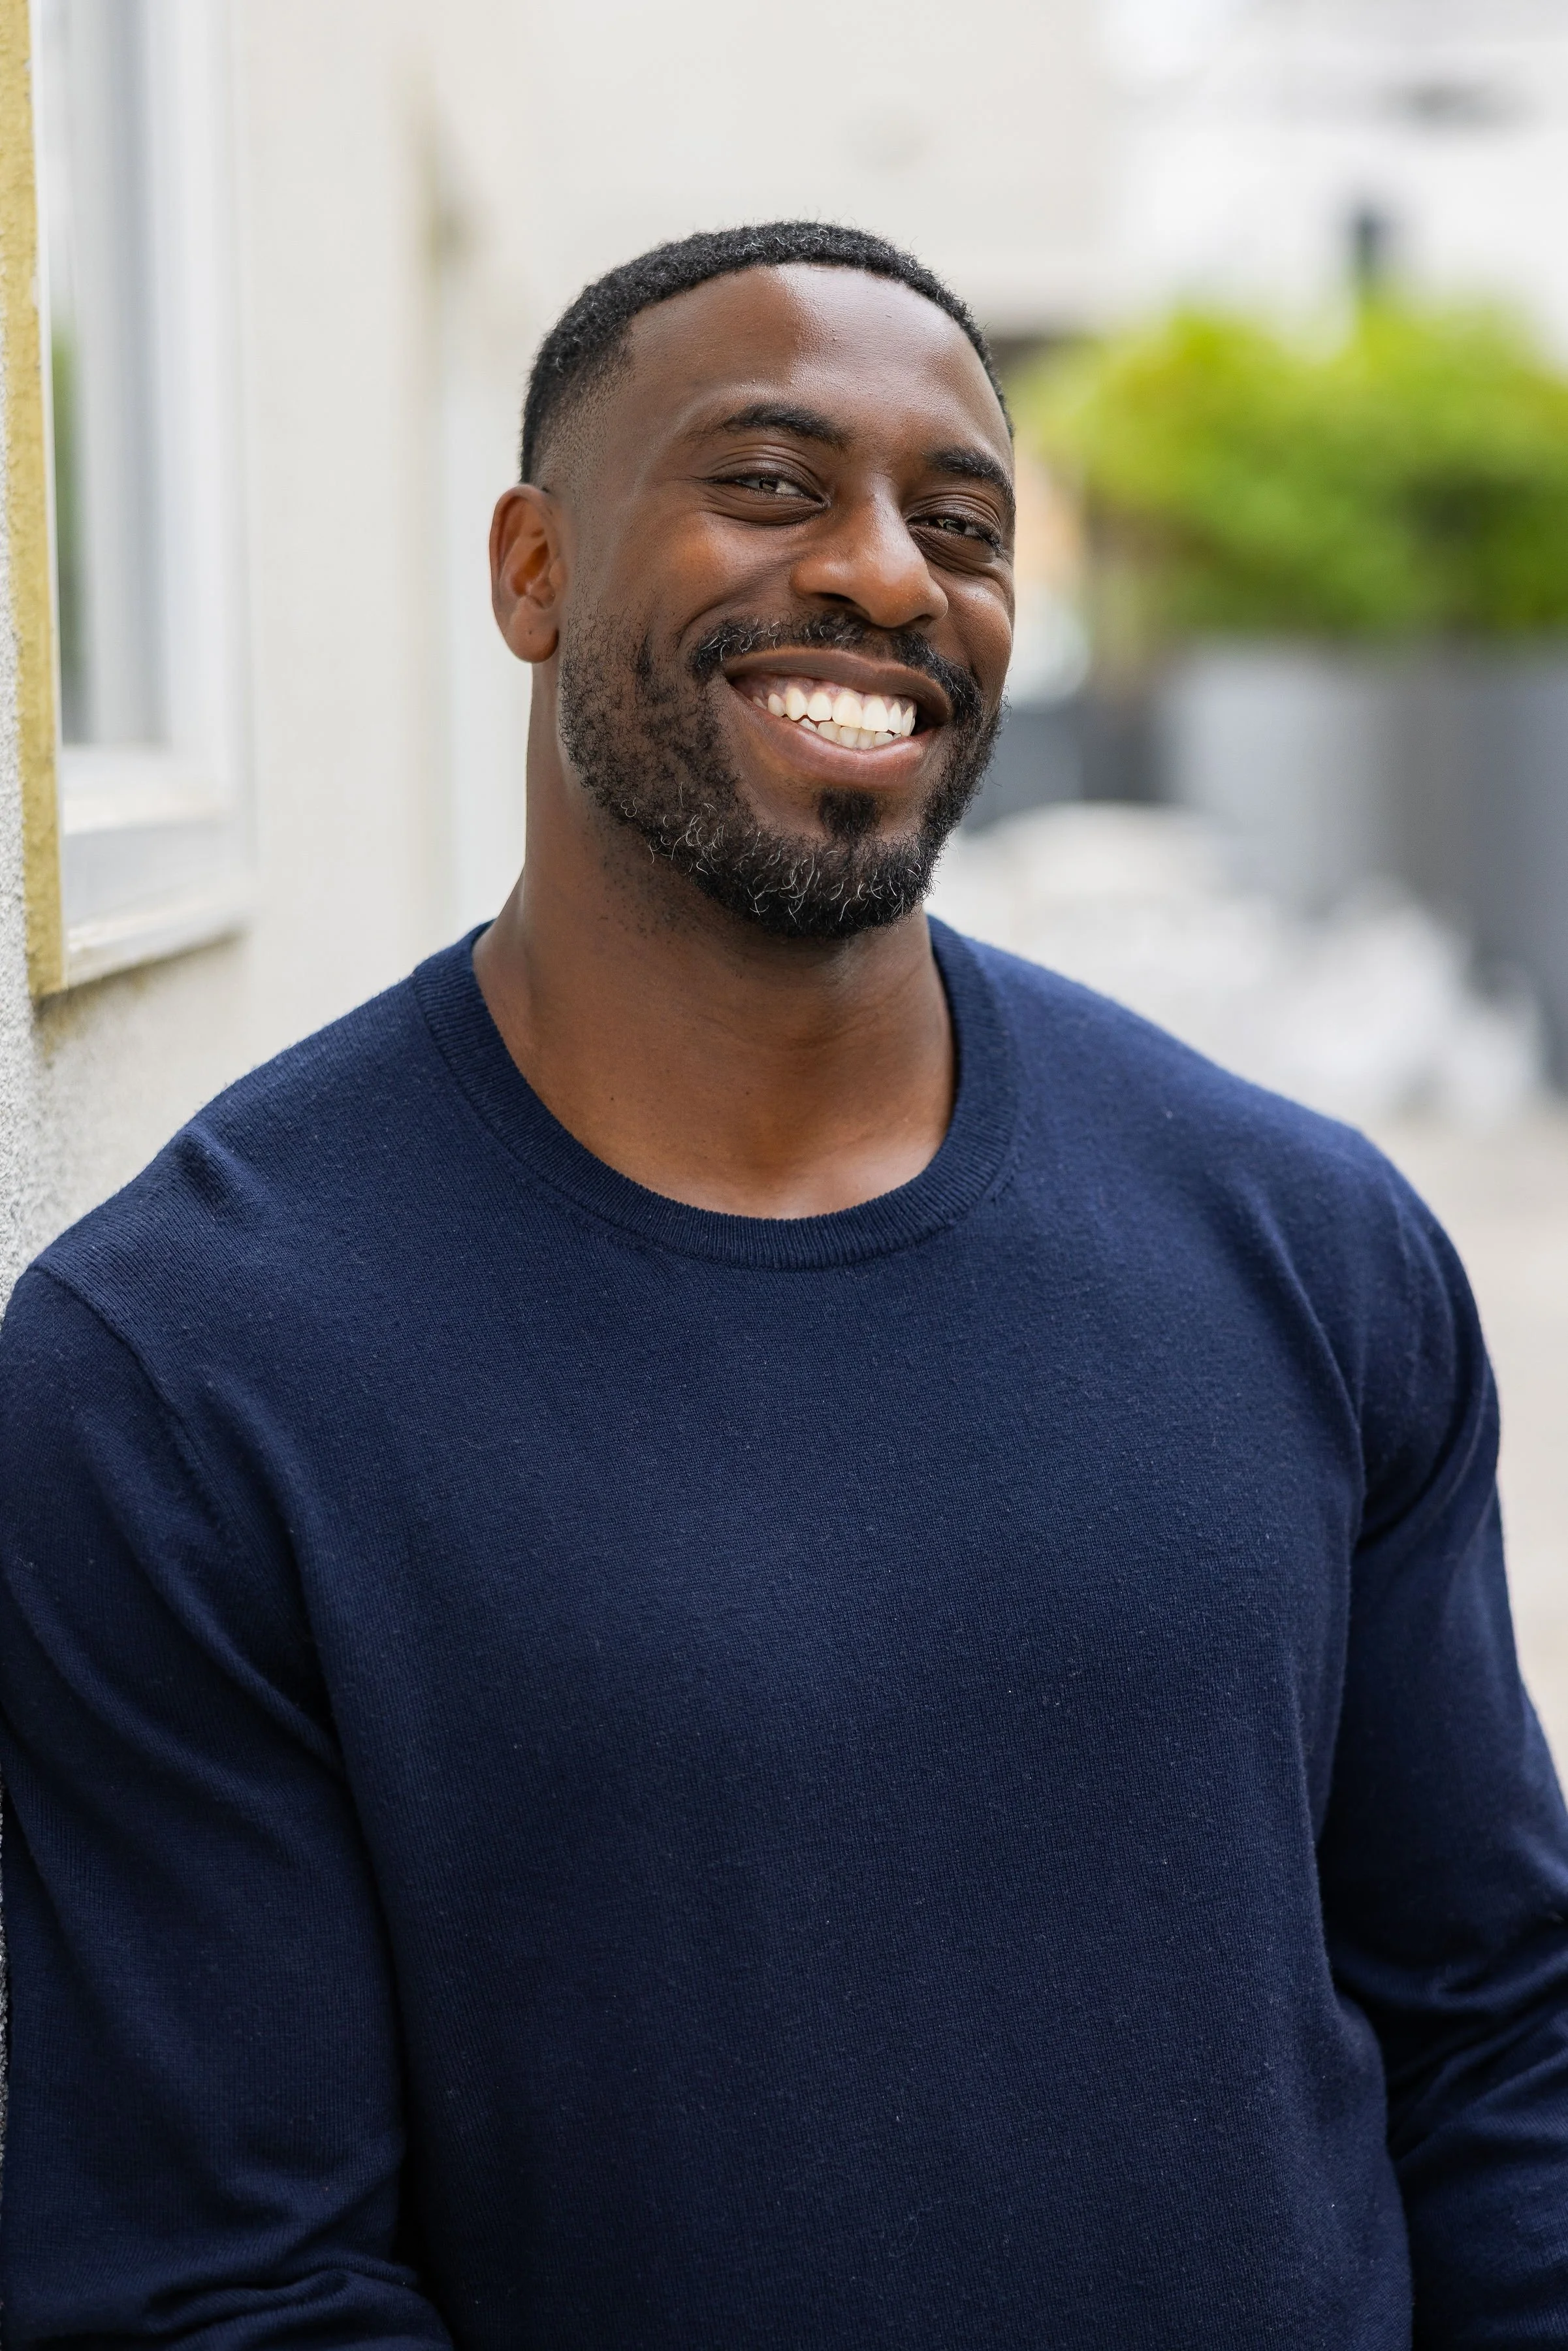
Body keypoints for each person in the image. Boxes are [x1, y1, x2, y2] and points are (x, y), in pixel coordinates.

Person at [1, 220, 1566, 2350]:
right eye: (767, 482)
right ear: (533, 571)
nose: (891, 577)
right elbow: (218, 2285)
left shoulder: (1311, 1244)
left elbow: (1498, 2030)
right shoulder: (181, 1374)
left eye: (965, 525)